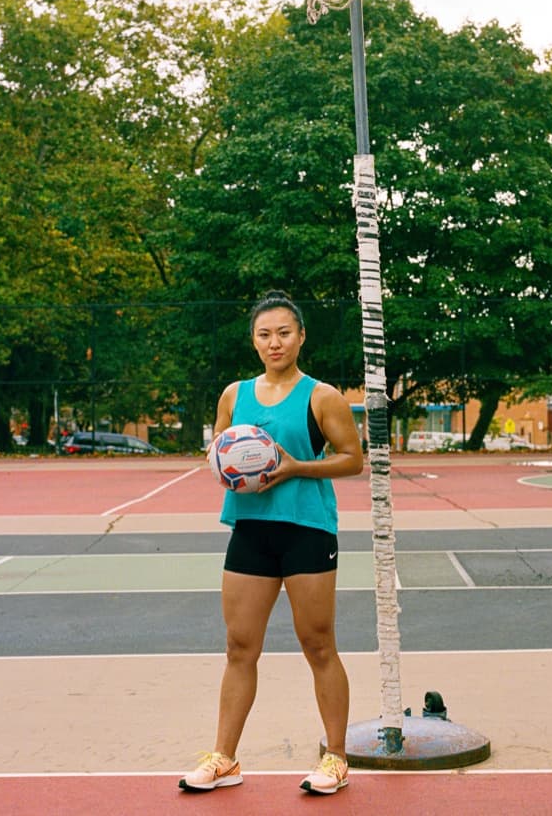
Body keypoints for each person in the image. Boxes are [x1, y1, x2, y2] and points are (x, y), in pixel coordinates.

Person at [179, 291, 364, 796]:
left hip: (307, 528)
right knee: (239, 646)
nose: (275, 342)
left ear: (301, 337)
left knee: (318, 644)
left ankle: (336, 758)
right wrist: (230, 464)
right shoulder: (233, 394)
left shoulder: (322, 396)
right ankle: (225, 760)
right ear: (254, 341)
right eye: (265, 334)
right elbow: (218, 453)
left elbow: (353, 459)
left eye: (284, 332)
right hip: (251, 530)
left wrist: (294, 467)